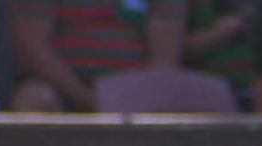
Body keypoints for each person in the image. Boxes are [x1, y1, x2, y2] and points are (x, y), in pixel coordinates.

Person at [10, 0, 188, 112]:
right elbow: (33, 48)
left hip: (135, 94)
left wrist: (126, 99)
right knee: (33, 99)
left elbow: (163, 62)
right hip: (63, 89)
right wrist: (86, 98)